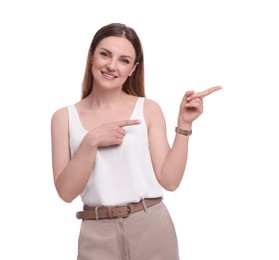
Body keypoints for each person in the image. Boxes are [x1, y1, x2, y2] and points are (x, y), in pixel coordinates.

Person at [51, 22, 221, 260]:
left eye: (124, 60)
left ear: (133, 68)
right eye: (105, 54)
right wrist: (91, 141)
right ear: (91, 56)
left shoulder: (148, 109)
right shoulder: (63, 118)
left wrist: (184, 124)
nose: (111, 66)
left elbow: (170, 181)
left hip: (151, 226)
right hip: (96, 232)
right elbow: (66, 193)